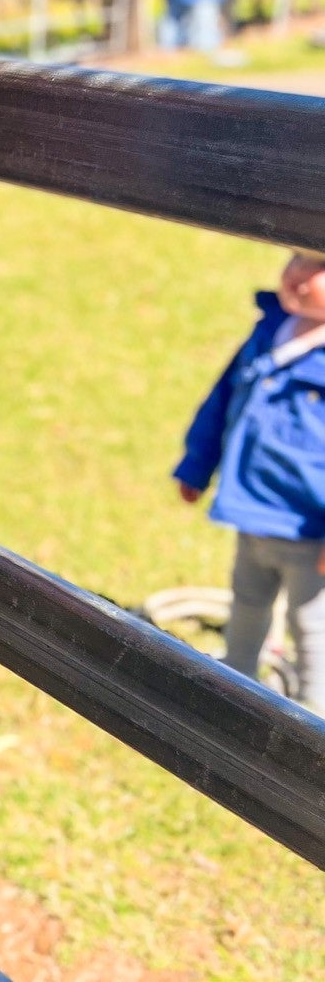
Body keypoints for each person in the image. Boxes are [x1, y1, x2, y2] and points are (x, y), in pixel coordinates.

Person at [175, 253, 325, 711]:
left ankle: (311, 715)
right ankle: (235, 684)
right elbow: (223, 398)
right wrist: (197, 465)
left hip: (310, 532)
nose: (296, 274)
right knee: (248, 600)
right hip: (252, 510)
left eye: (317, 265)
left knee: (311, 625)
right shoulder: (270, 330)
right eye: (295, 256)